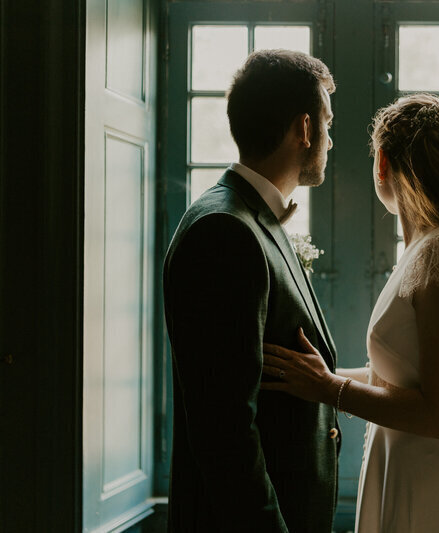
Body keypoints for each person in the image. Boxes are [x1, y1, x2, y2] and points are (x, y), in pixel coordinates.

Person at [262, 94, 439, 532]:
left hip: (437, 479)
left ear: (381, 162)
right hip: (406, 466)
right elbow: (399, 380)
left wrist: (329, 388)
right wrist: (311, 376)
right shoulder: (420, 251)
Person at [163, 49, 339, 532]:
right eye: (328, 121)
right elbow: (225, 429)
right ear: (304, 129)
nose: (331, 137)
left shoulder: (252, 219)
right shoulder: (225, 231)